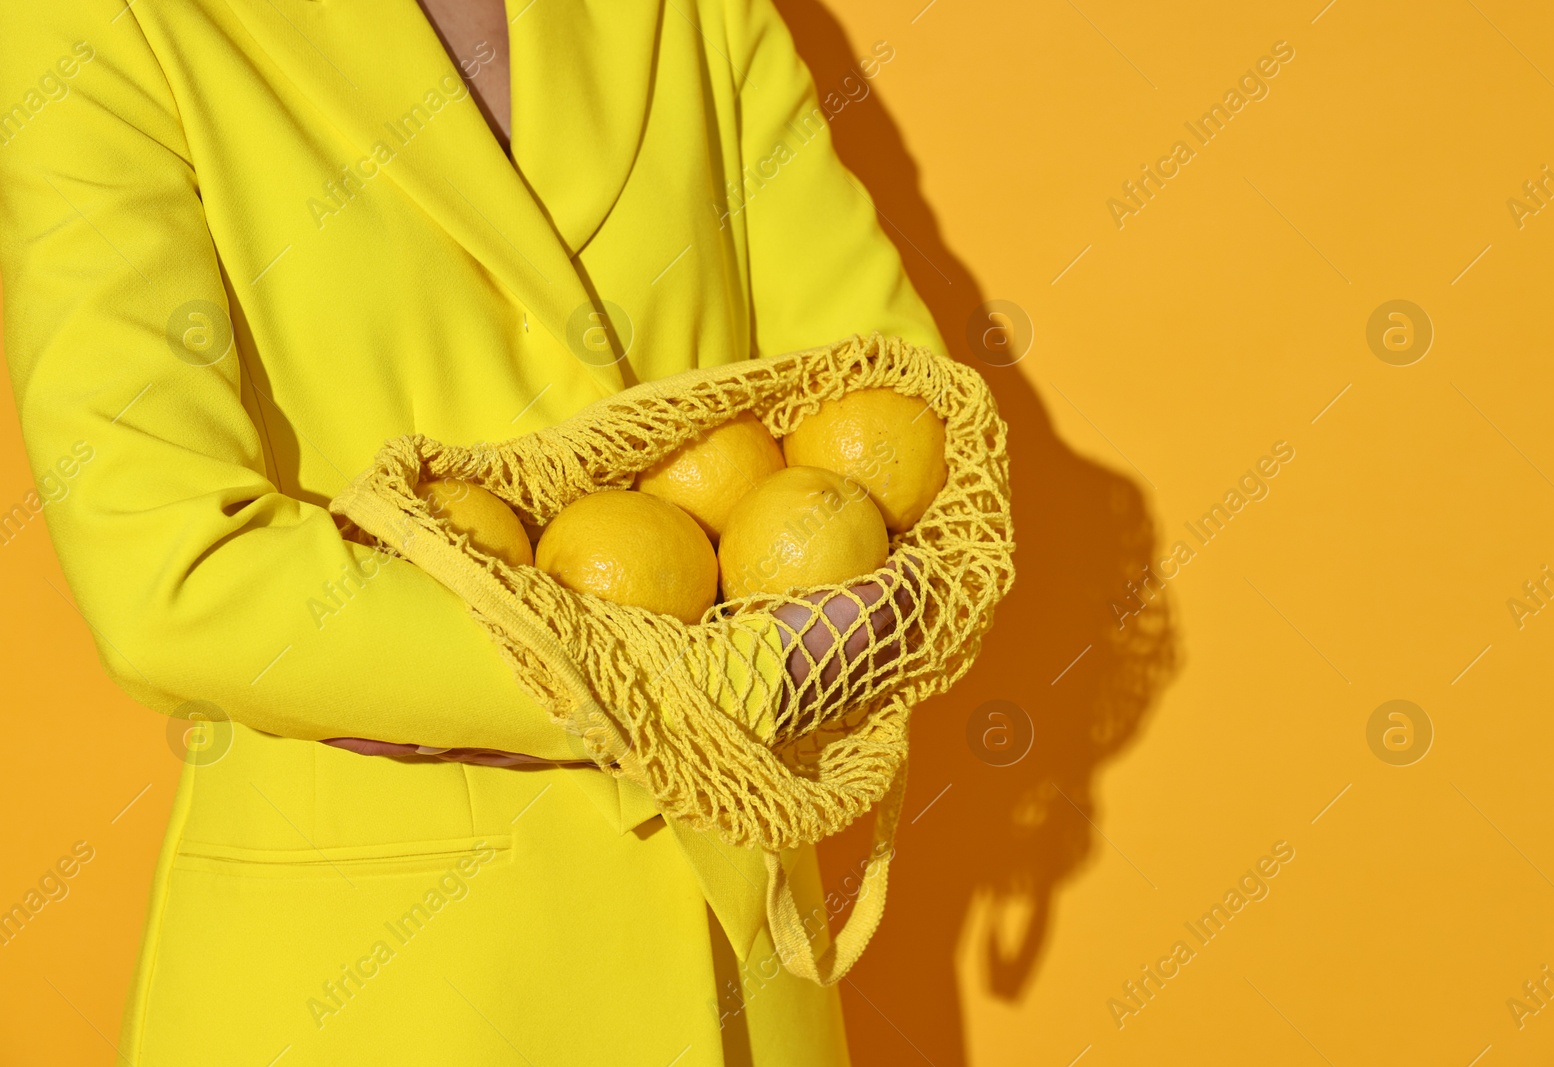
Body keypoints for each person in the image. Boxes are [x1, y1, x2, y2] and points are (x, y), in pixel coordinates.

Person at [0, 0, 944, 1062]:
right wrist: (692, 684)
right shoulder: (102, 19)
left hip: (731, 956)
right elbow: (171, 576)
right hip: (373, 991)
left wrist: (418, 656)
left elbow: (898, 427)